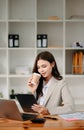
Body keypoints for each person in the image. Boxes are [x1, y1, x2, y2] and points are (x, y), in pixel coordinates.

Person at [28, 51, 75, 115]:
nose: (41, 70)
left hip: (50, 121)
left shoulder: (61, 83)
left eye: (44, 66)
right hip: (36, 119)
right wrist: (32, 91)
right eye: (39, 67)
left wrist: (48, 111)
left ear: (52, 64)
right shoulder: (38, 82)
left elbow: (70, 107)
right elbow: (32, 108)